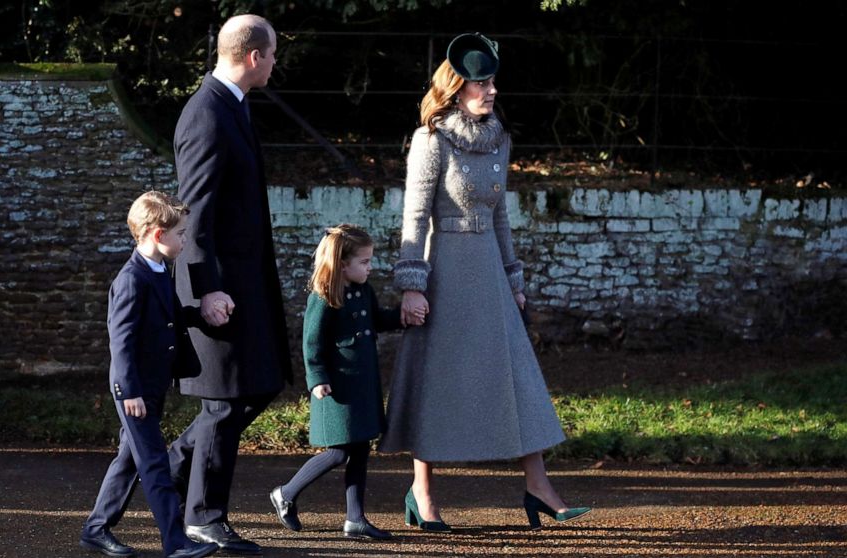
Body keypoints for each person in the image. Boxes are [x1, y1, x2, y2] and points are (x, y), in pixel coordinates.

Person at [377, 32, 592, 531]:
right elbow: (413, 216)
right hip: (444, 272)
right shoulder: (431, 139)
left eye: (493, 80)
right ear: (457, 88)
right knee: (437, 380)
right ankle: (422, 493)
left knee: (516, 376)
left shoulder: (500, 138)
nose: (492, 90)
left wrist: (514, 278)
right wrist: (412, 282)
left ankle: (538, 486)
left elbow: (500, 219)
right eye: (482, 83)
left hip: (490, 274)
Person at [168, 13, 292, 556]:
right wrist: (204, 290)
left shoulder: (231, 107)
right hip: (218, 284)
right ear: (252, 57)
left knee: (260, 383)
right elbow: (192, 214)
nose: (274, 64)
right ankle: (202, 517)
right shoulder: (207, 114)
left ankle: (169, 469)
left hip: (245, 280)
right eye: (272, 55)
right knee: (223, 401)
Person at [80, 191, 218, 558]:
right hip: (134, 389)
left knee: (130, 459)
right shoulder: (131, 280)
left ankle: (96, 527)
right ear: (158, 235)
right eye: (182, 234)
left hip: (151, 385)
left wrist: (203, 311)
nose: (185, 239)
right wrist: (131, 393)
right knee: (155, 463)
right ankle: (176, 543)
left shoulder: (158, 270)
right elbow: (120, 343)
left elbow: (169, 317)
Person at [269, 224, 413, 541]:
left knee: (360, 450)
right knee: (337, 452)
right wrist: (317, 378)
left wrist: (403, 316)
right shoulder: (323, 298)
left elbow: (376, 319)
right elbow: (312, 343)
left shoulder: (364, 290)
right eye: (364, 262)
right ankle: (286, 493)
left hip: (362, 386)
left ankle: (355, 519)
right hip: (337, 389)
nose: (370, 266)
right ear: (342, 264)